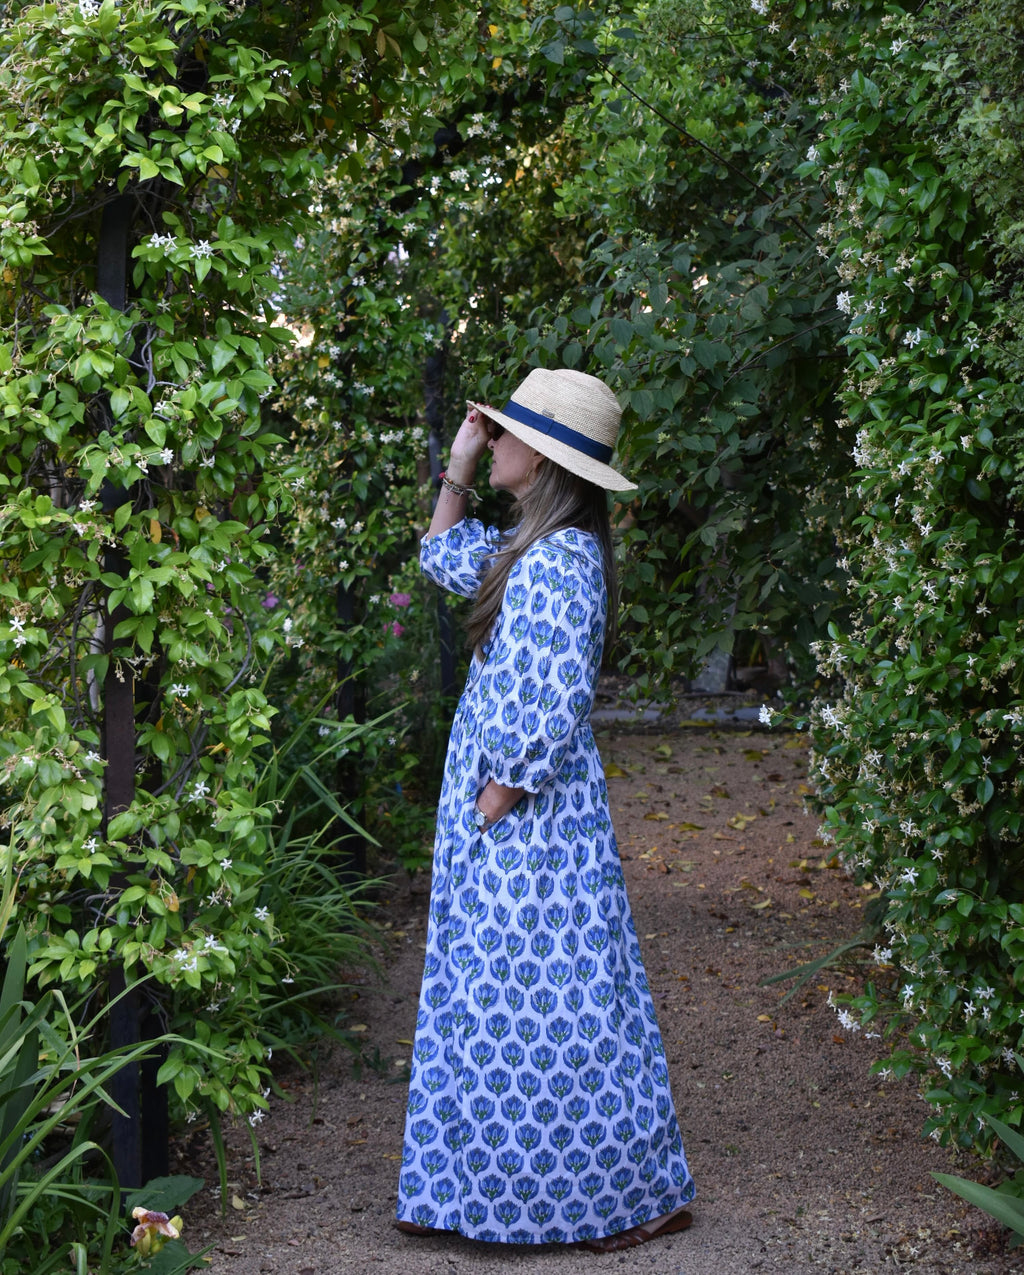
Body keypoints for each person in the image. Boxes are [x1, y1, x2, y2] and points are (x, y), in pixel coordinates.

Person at [395, 368, 695, 1251]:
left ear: (547, 458)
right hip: (510, 814)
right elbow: (438, 554)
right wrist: (457, 458)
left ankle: (631, 1195)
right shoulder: (534, 545)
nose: (493, 439)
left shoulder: (560, 561)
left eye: (504, 432)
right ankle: (503, 1195)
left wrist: (500, 797)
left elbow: (554, 698)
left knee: (559, 999)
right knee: (510, 997)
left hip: (530, 818)